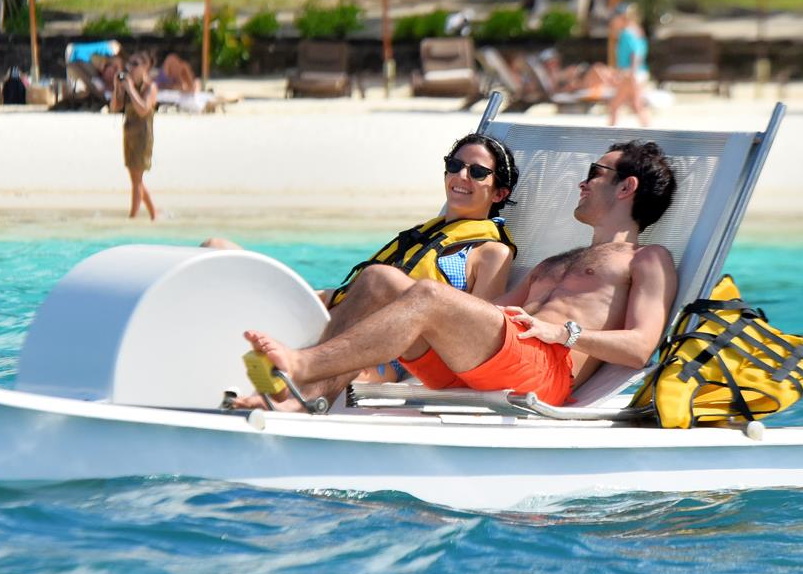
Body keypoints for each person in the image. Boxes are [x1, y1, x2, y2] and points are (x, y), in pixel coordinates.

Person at [245, 140, 679, 412]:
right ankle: (307, 399)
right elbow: (490, 312)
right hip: (486, 361)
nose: (582, 184)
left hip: (544, 371)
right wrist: (417, 312)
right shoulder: (557, 261)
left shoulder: (647, 259)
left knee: (428, 295)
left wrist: (564, 334)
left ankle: (302, 365)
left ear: (627, 187)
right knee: (380, 280)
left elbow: (641, 347)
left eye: (595, 174)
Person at [221, 132, 521, 406]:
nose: (461, 176)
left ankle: (296, 395)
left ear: (499, 193)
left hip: (393, 349)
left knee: (379, 280)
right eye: (454, 166)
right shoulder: (424, 234)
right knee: (221, 248)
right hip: (348, 320)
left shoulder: (491, 252)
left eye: (477, 172)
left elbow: (473, 331)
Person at [114, 51, 158, 219]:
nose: (130, 68)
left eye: (135, 64)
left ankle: (132, 217)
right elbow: (115, 107)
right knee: (135, 178)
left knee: (137, 180)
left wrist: (130, 88)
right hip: (129, 135)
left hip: (142, 137)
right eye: (129, 64)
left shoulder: (150, 88)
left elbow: (143, 109)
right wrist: (117, 87)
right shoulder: (130, 86)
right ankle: (154, 214)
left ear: (145, 67)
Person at [608, 2, 652, 127]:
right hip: (637, 73)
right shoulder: (636, 31)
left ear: (622, 17)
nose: (611, 21)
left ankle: (609, 133)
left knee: (617, 105)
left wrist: (632, 73)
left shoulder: (627, 34)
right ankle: (649, 131)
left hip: (631, 73)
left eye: (614, 18)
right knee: (635, 105)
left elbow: (635, 54)